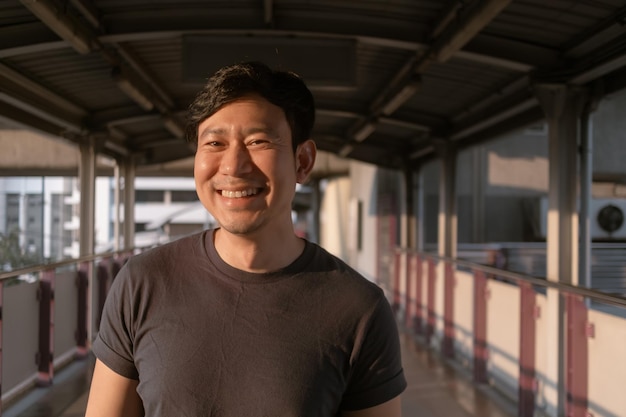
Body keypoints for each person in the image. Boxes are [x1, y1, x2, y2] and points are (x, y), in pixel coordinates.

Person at [85, 61, 406, 416]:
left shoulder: (359, 309)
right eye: (214, 143)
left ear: (303, 161)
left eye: (258, 141)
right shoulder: (143, 283)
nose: (233, 166)